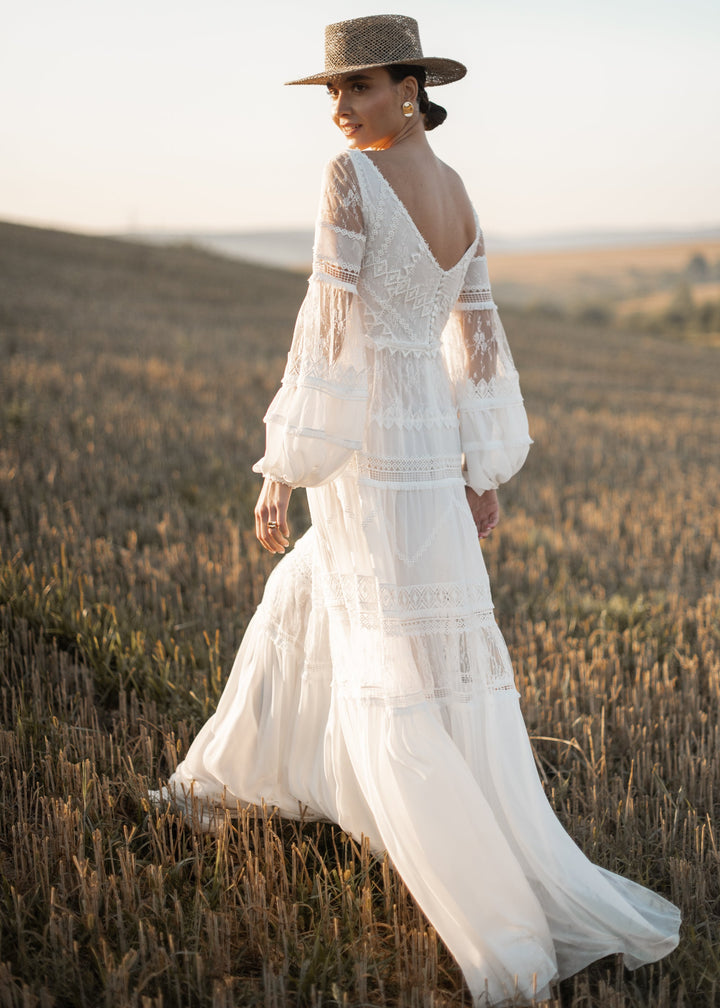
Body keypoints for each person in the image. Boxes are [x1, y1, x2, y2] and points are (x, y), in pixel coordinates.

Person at [153, 15, 680, 1006]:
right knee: (324, 597)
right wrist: (478, 468)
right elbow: (477, 342)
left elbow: (329, 320)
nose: (342, 109)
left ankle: (489, 914)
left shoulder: (348, 179)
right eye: (333, 94)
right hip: (429, 440)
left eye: (358, 88)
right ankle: (223, 781)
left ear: (410, 87)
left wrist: (286, 464)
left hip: (376, 441)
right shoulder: (461, 191)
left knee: (392, 654)